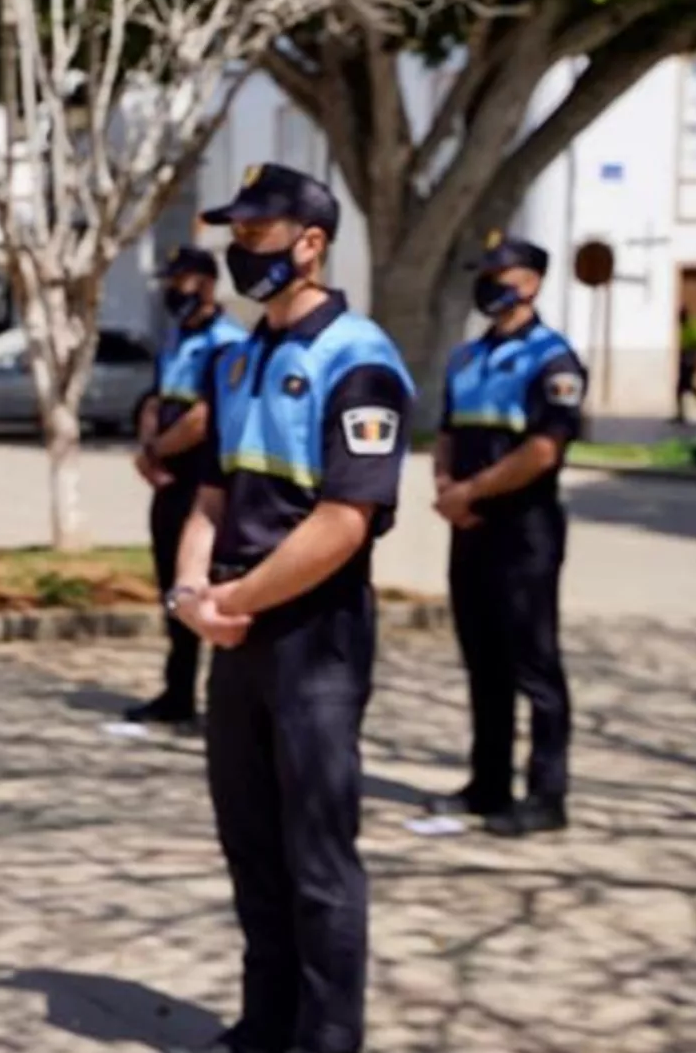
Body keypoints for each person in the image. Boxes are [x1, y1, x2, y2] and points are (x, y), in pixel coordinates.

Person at [169, 163, 412, 1053]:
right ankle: (265, 1022)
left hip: (315, 636)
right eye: (237, 233)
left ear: (311, 243)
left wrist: (230, 598)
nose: (242, 250)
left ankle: (327, 1035)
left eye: (261, 234)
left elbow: (344, 522)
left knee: (318, 859)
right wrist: (193, 593)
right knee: (251, 843)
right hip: (234, 631)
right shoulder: (238, 358)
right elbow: (212, 495)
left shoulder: (361, 361)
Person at [425, 231, 585, 838]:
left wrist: (472, 491)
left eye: (502, 271)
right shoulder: (465, 358)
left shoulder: (554, 358)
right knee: (482, 662)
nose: (489, 281)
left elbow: (544, 449)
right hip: (469, 530)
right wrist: (447, 487)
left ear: (533, 281)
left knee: (534, 665)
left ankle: (546, 797)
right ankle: (486, 786)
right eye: (484, 270)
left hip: (525, 531)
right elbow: (446, 432)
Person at [126, 246, 246, 725]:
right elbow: (158, 399)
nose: (175, 291)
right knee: (173, 587)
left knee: (209, 586)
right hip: (168, 480)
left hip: (206, 482)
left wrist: (157, 451)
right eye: (171, 282)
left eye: (184, 281)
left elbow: (203, 418)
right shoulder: (176, 336)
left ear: (208, 283)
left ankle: (222, 702)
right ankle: (177, 694)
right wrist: (147, 447)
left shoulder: (225, 341)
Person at [679, 306, 696, 424]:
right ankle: (681, 414)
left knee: (686, 387)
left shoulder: (691, 325)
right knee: (684, 387)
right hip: (685, 361)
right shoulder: (684, 326)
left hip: (690, 361)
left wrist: (693, 360)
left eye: (680, 316)